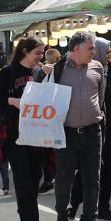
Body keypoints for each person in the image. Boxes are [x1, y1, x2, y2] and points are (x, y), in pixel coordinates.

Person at [68, 38, 111, 221]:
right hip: (93, 130)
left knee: (106, 171)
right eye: (107, 51)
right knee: (86, 171)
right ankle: (73, 206)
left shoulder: (110, 72)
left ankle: (104, 208)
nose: (109, 55)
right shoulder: (87, 73)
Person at [50, 31, 105, 221]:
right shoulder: (59, 69)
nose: (93, 52)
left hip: (92, 131)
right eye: (90, 48)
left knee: (92, 179)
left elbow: (100, 97)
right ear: (76, 49)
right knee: (64, 178)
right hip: (66, 132)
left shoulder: (98, 67)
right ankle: (62, 216)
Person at [0, 36, 45, 221]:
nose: (40, 57)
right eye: (37, 53)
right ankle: (30, 220)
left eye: (42, 53)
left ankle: (26, 211)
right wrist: (13, 101)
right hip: (14, 131)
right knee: (23, 176)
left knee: (36, 173)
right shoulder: (8, 71)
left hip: (37, 130)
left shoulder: (39, 72)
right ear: (25, 51)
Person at [37, 48, 62, 193]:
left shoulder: (42, 72)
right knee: (57, 150)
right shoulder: (62, 71)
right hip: (58, 116)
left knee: (46, 151)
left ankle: (49, 179)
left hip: (45, 116)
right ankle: (54, 179)